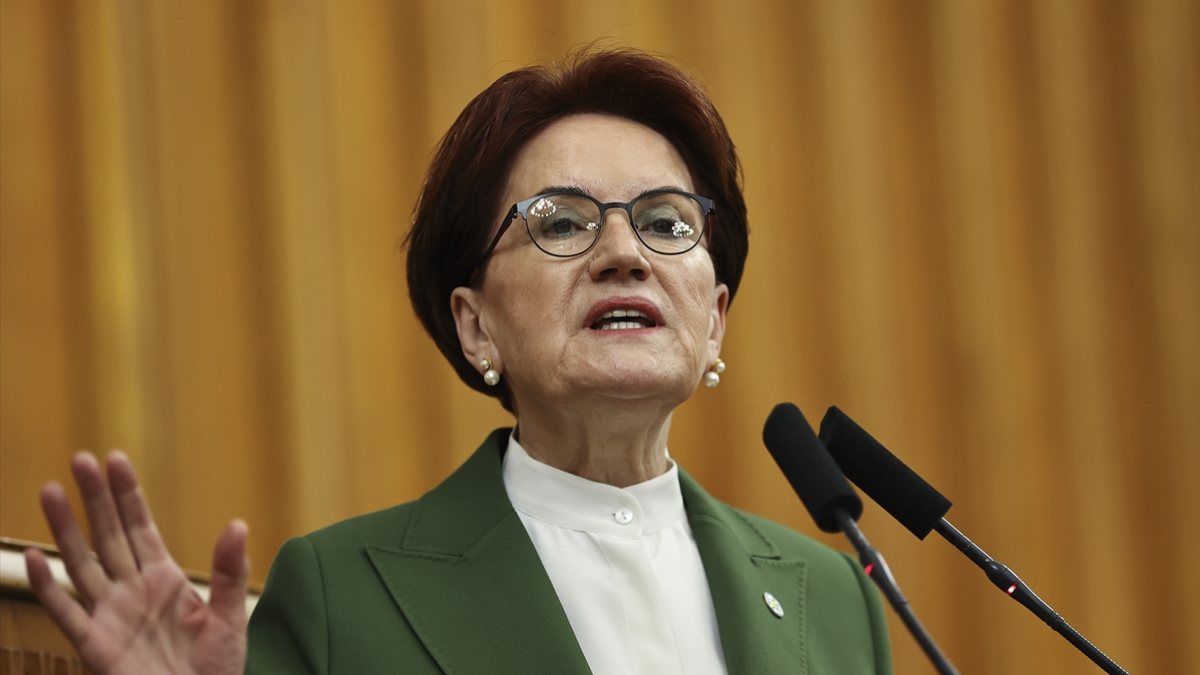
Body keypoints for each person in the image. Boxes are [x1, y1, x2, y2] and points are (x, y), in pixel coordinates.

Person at [25, 48, 892, 674]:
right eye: (561, 222)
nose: (624, 254)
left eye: (666, 222)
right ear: (475, 327)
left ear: (715, 322)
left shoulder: (834, 595)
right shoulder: (343, 596)